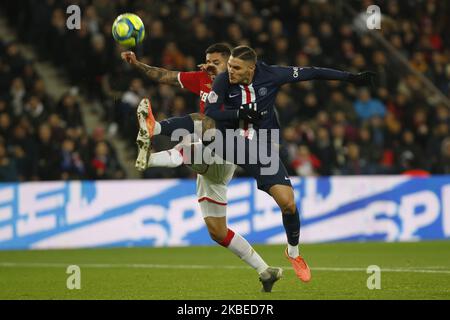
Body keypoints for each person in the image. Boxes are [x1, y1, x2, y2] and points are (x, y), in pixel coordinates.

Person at [140, 45, 376, 283]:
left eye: (236, 68)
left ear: (251, 69)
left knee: (288, 203)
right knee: (203, 125)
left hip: (260, 148)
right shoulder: (222, 81)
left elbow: (311, 72)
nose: (230, 71)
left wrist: (350, 78)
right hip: (228, 142)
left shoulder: (272, 75)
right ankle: (155, 131)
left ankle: (292, 253)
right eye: (229, 65)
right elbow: (211, 111)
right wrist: (239, 114)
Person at [121, 44, 282, 293]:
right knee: (217, 232)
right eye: (207, 61)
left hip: (227, 151)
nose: (209, 65)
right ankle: (265, 271)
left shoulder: (239, 86)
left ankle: (154, 136)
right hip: (211, 167)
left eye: (216, 62)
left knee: (201, 124)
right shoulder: (201, 79)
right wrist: (137, 64)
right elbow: (164, 75)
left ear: (230, 64)